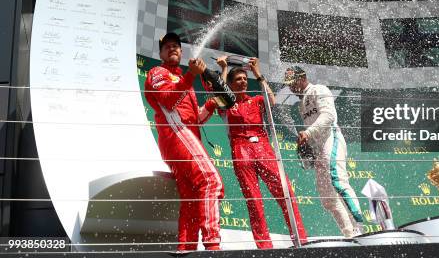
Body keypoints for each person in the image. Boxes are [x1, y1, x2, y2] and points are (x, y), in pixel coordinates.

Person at [200, 57, 308, 249]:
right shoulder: (226, 105)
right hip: (241, 151)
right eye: (238, 79)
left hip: (264, 148)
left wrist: (257, 73)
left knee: (286, 194)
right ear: (231, 85)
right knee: (254, 202)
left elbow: (272, 100)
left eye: (244, 78)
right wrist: (223, 69)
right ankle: (265, 247)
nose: (242, 81)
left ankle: (300, 240)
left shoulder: (257, 100)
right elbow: (219, 91)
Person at [144, 33, 224, 251]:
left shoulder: (182, 80)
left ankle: (185, 250)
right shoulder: (157, 72)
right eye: (167, 46)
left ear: (181, 52)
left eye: (176, 46)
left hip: (185, 137)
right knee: (211, 181)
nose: (173, 49)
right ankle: (213, 247)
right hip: (176, 136)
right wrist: (190, 75)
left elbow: (194, 119)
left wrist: (211, 105)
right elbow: (169, 102)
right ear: (160, 53)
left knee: (191, 200)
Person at [284, 66, 364, 238]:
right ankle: (349, 234)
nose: (291, 87)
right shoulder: (302, 104)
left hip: (331, 138)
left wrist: (308, 133)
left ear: (303, 77)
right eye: (289, 85)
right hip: (319, 147)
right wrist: (309, 148)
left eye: (293, 82)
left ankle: (360, 225)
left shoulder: (318, 89)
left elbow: (328, 117)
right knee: (327, 197)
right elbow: (312, 128)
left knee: (338, 181)